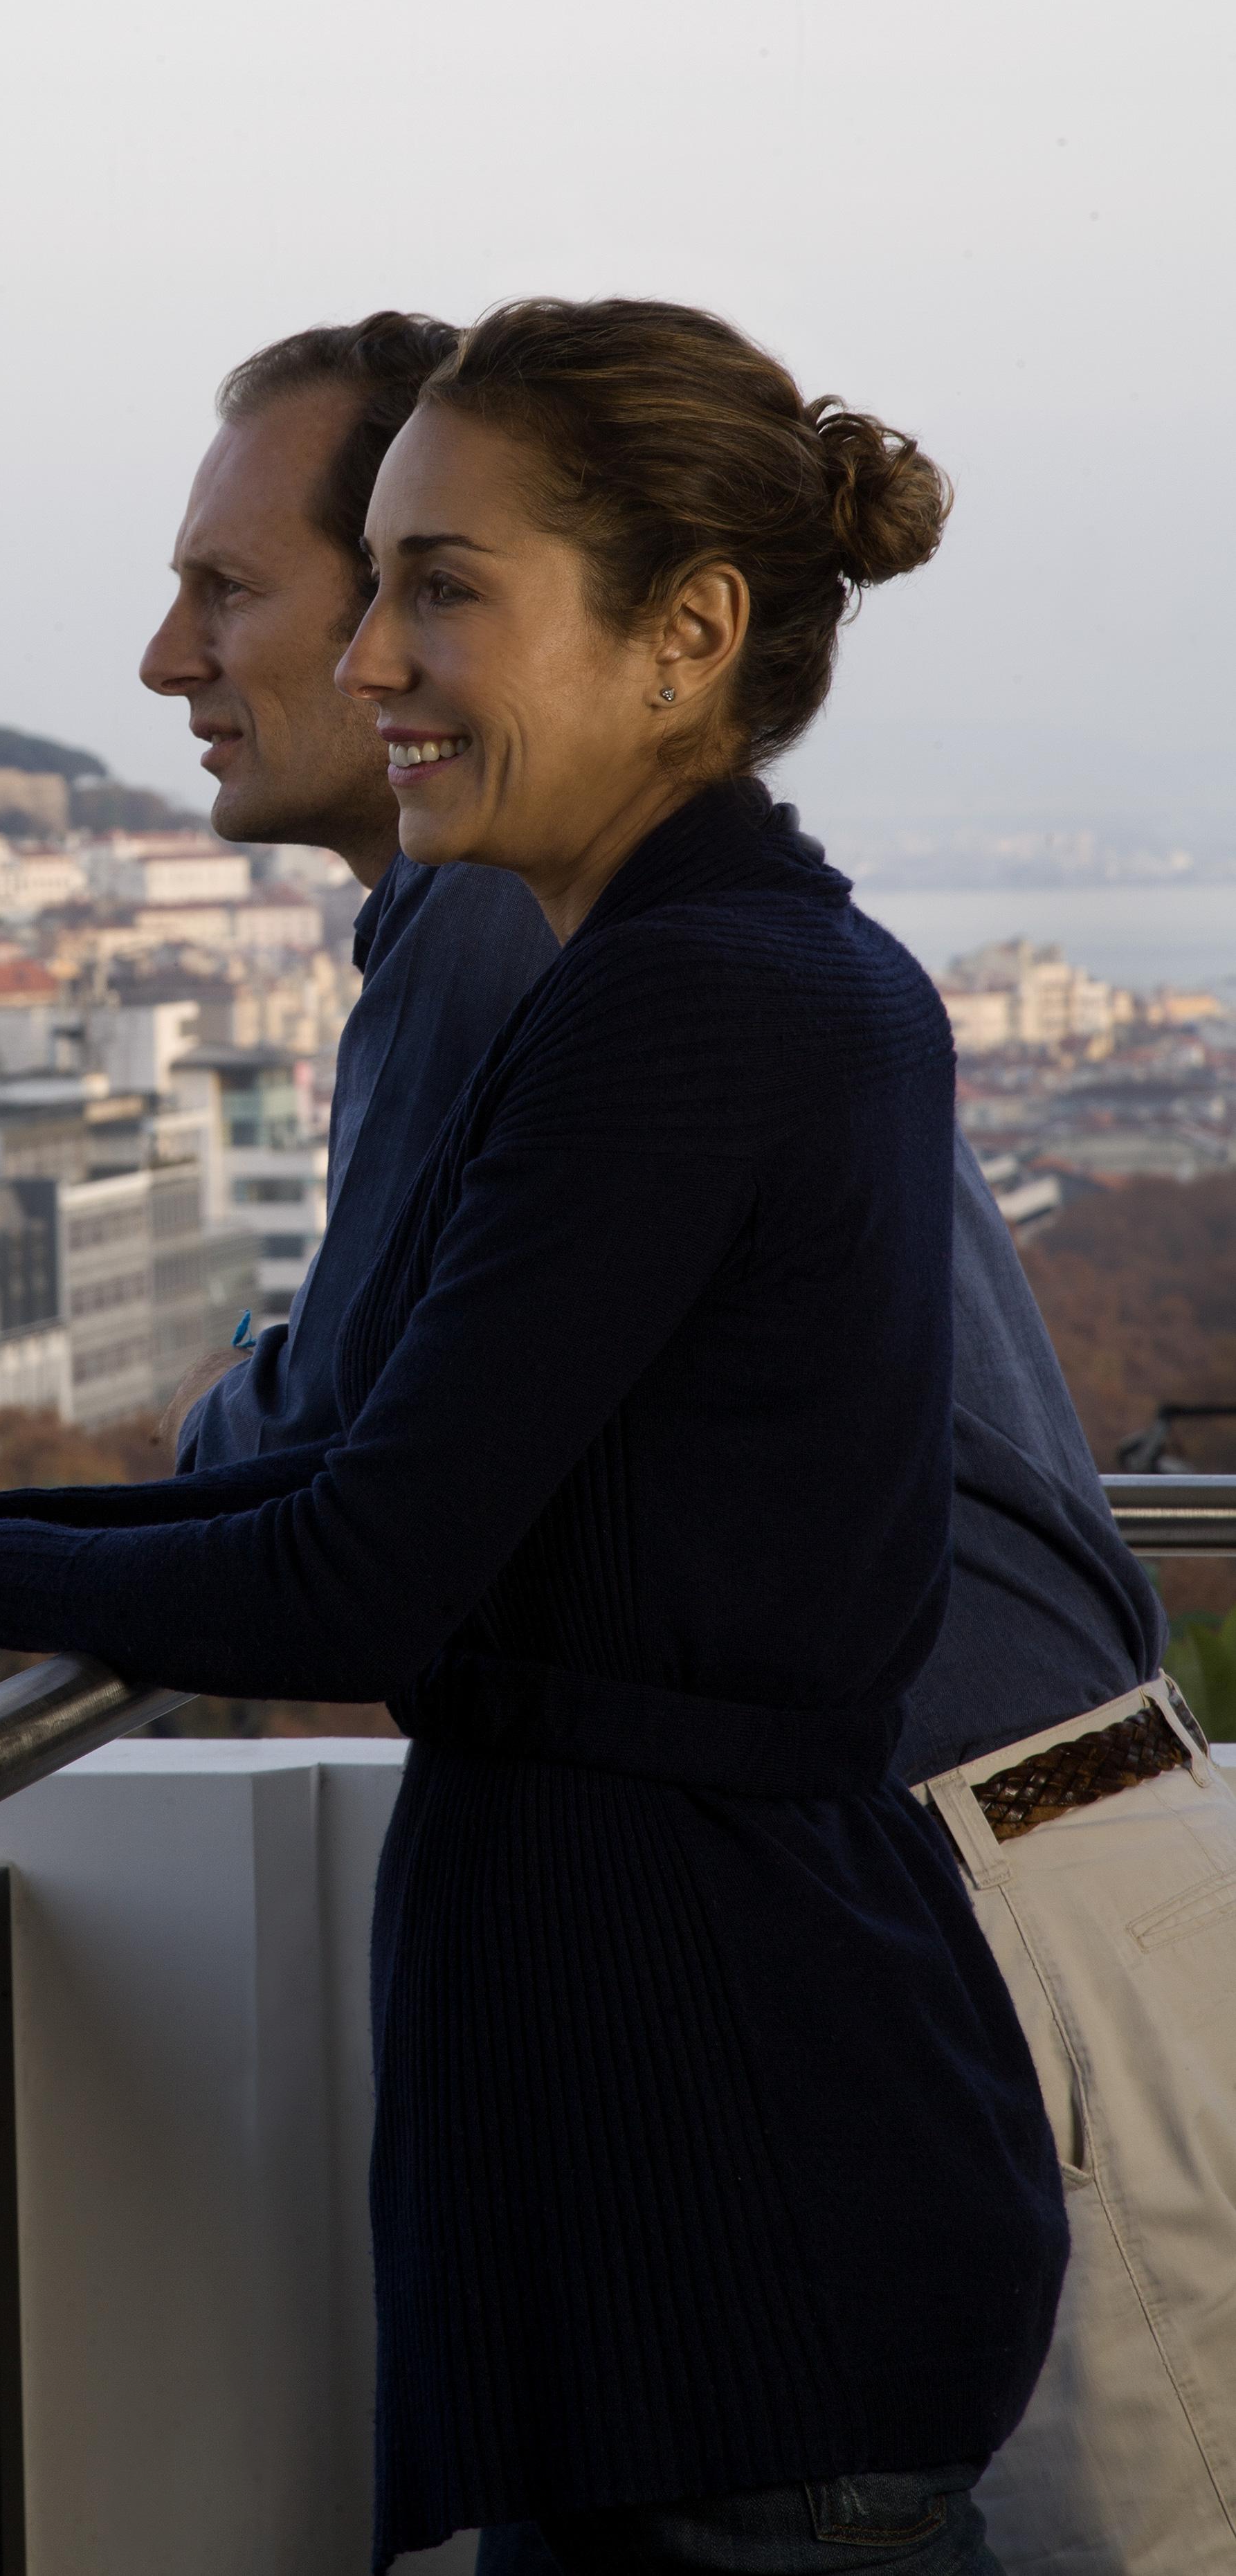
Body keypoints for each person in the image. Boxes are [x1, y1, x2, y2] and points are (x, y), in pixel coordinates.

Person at [0, 297, 1068, 2574]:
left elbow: (348, 1568)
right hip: (737, 2175)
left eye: (446, 588)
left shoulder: (681, 1001)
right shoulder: (754, 968)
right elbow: (393, 1487)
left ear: (687, 634)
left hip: (722, 2197)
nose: (372, 661)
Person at [138, 314, 1236, 2576]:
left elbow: (339, 1461)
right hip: (987, 1889)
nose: (185, 653)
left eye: (257, 588)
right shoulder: (600, 926)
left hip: (973, 1904)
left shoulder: (504, 934)